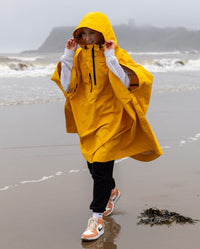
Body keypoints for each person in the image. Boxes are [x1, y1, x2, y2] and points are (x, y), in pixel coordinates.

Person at [51, 12, 163, 241]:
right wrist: (68, 55)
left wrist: (111, 57)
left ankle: (96, 218)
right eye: (84, 33)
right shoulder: (78, 56)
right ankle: (111, 190)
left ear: (103, 33)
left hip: (111, 118)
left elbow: (126, 84)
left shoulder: (116, 53)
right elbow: (68, 87)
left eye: (92, 32)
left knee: (101, 165)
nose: (88, 37)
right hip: (88, 118)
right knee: (93, 165)